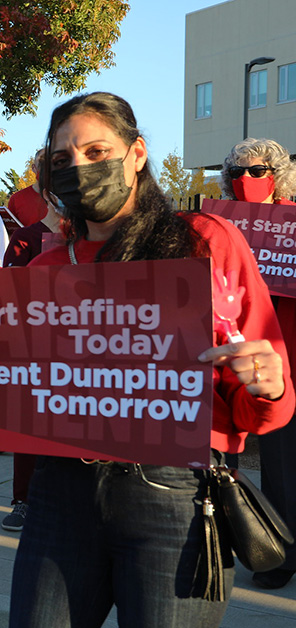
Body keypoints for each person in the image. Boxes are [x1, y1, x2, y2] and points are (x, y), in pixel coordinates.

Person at [0, 92, 294, 626]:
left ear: (137, 154)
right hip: (60, 496)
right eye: (62, 161)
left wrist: (269, 385)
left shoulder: (205, 244)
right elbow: (22, 384)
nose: (79, 168)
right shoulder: (49, 266)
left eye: (97, 151)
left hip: (174, 499)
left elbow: (263, 407)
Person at [220, 137, 296, 590]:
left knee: (288, 461)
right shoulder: (223, 226)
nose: (246, 180)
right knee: (270, 462)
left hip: (292, 351)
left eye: (257, 171)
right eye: (238, 173)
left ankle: (283, 553)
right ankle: (273, 551)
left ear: (276, 174)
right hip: (251, 360)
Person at [0, 153, 62, 533]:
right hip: (34, 348)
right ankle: (23, 500)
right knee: (30, 427)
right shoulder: (26, 238)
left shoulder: (98, 242)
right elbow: (7, 296)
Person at [4, 150, 51, 228]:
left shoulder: (64, 198)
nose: (45, 170)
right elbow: (11, 233)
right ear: (33, 168)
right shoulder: (16, 199)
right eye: (41, 164)